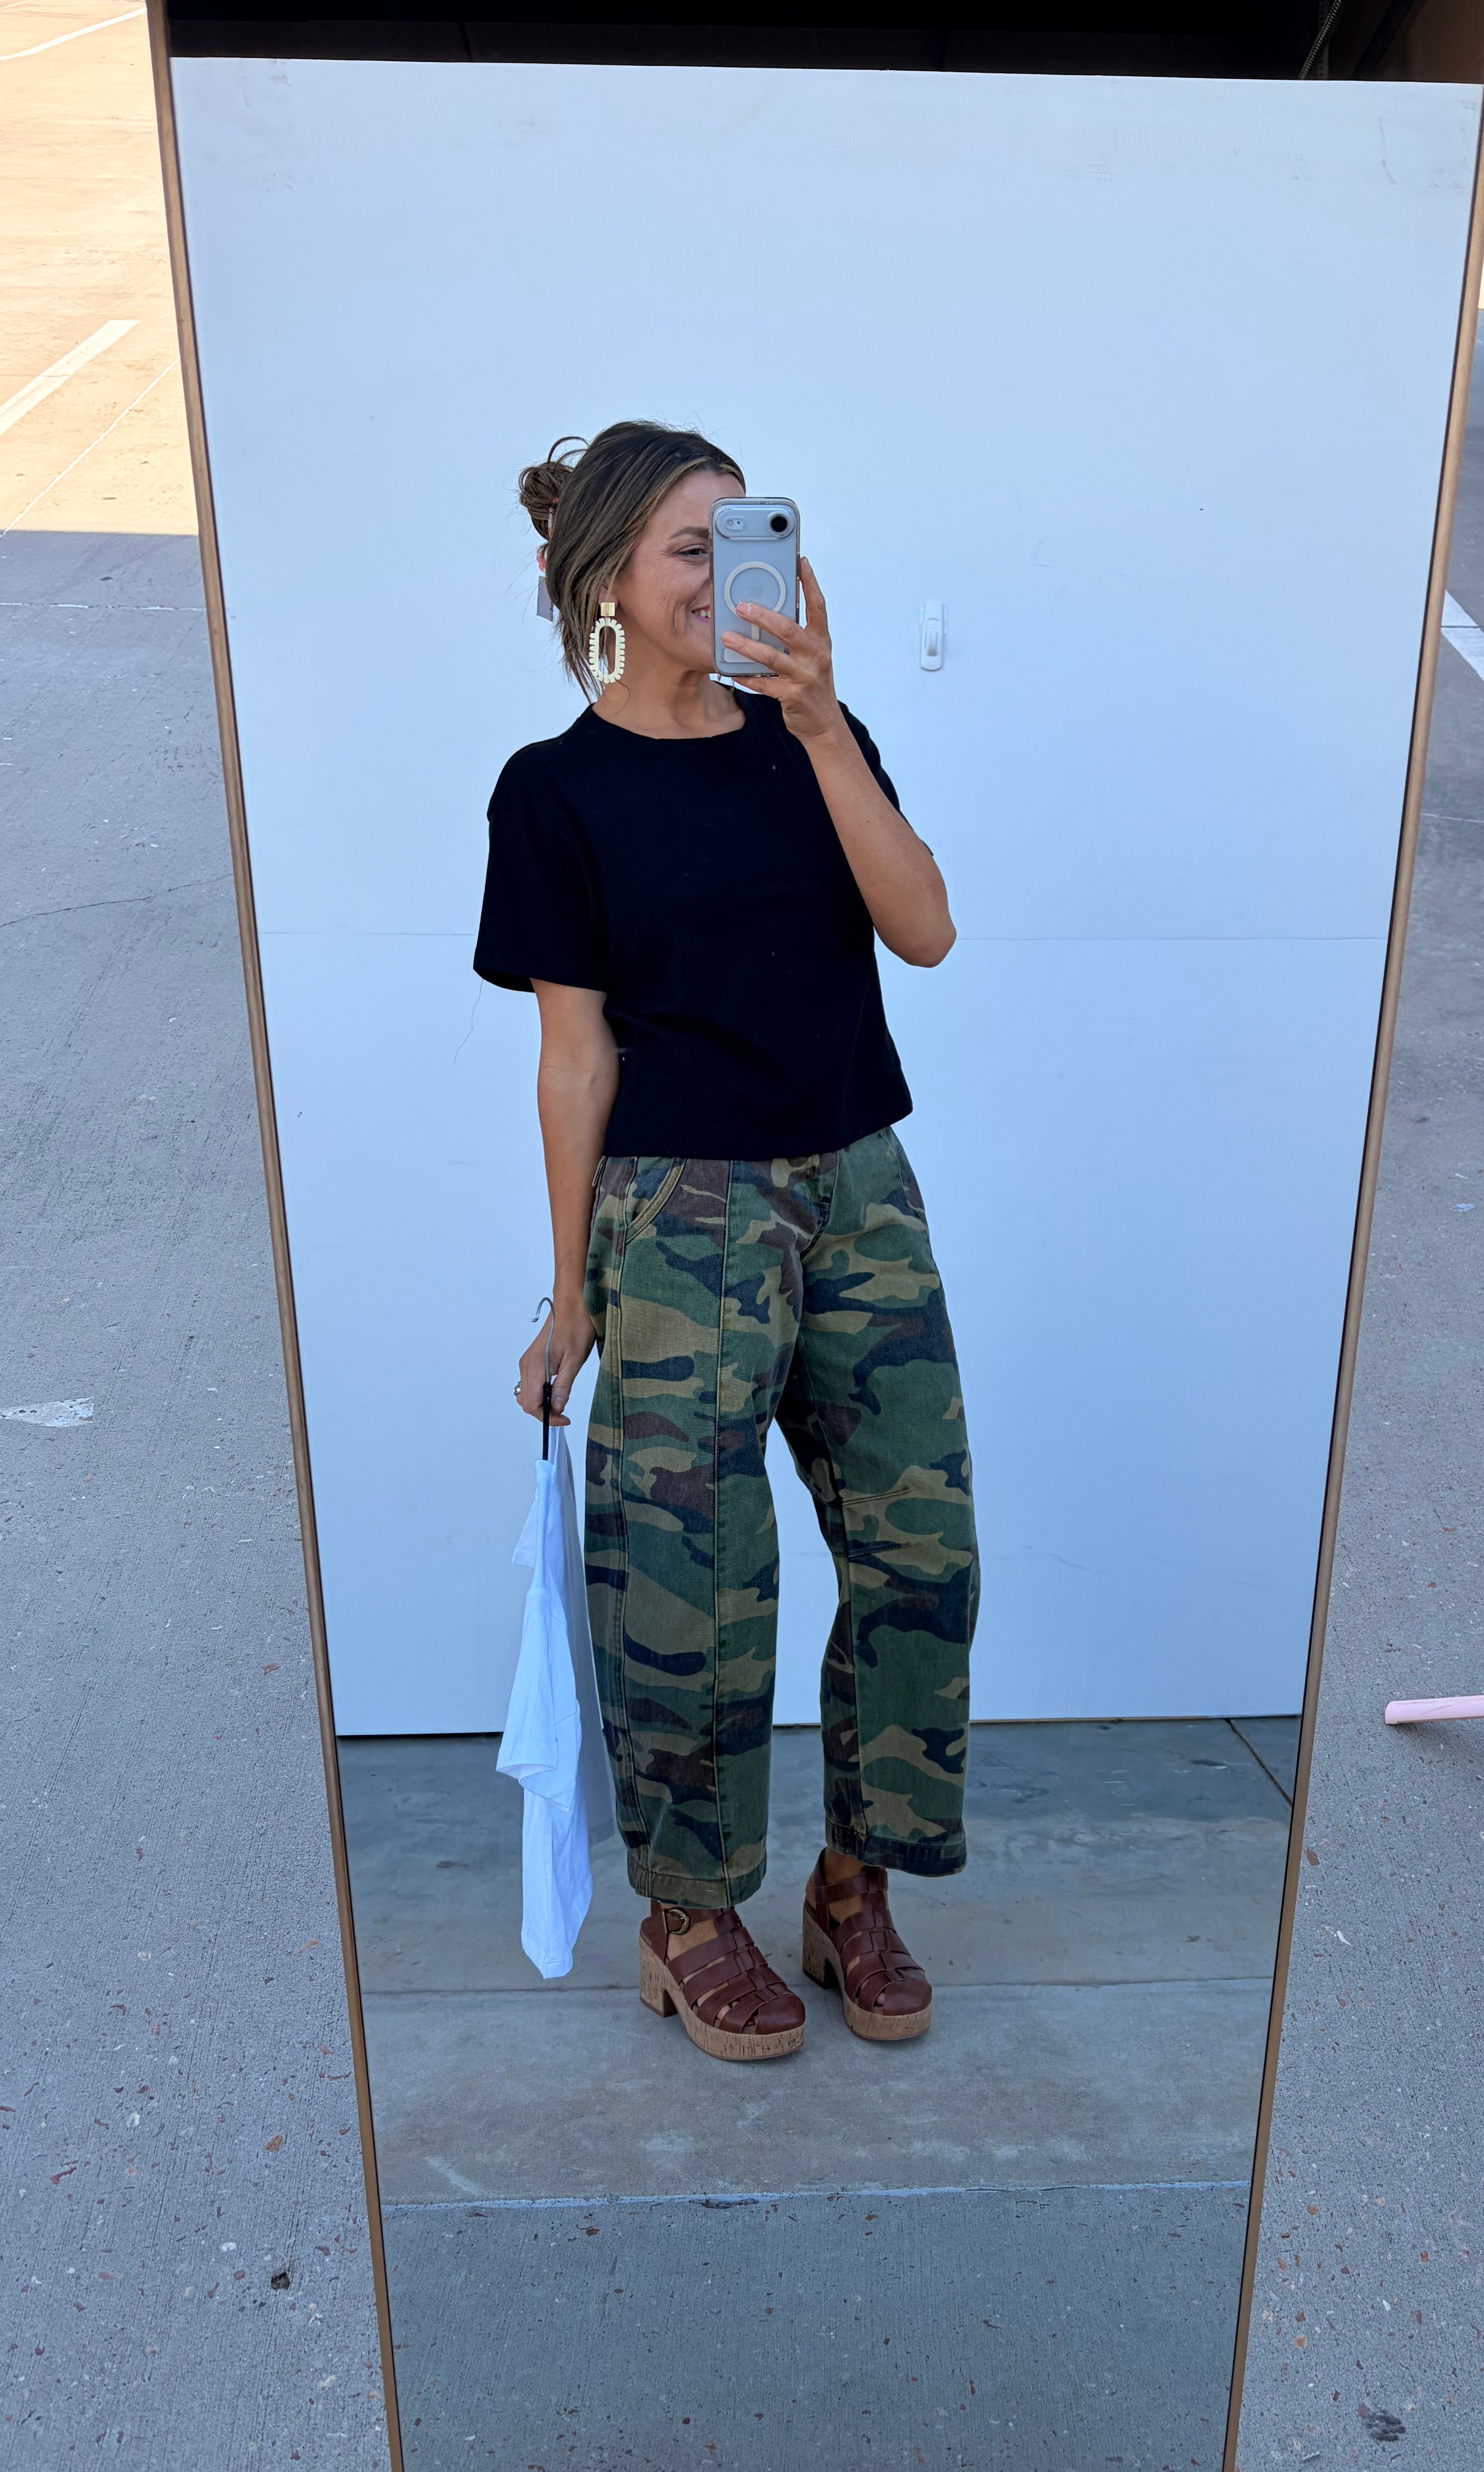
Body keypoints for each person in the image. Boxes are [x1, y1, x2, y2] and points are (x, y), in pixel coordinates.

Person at [473, 421, 978, 2064]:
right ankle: (686, 1916)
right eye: (687, 549)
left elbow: (924, 929)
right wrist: (571, 1294)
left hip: (858, 1184)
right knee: (692, 1577)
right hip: (678, 1214)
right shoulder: (555, 792)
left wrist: (823, 727)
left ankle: (851, 1887)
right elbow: (572, 1056)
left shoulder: (809, 736)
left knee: (919, 1555)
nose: (726, 575)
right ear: (605, 578)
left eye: (743, 538)